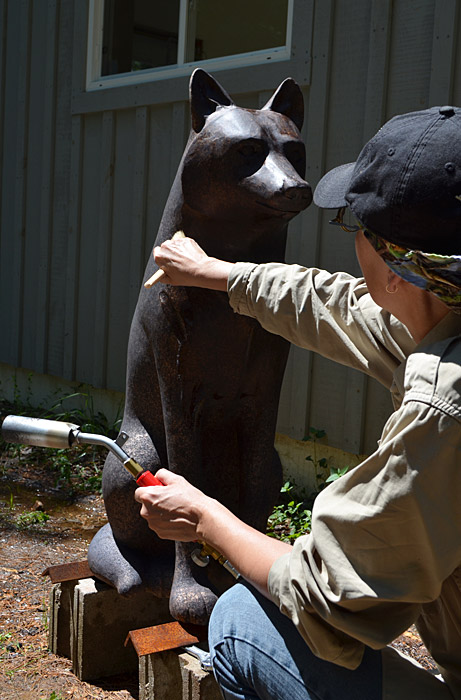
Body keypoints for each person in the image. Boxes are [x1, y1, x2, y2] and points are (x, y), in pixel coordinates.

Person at [134, 105, 461, 700]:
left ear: (396, 267)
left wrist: (204, 517)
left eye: (354, 224)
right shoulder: (440, 313)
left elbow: (323, 594)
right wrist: (218, 274)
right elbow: (335, 304)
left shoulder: (446, 408)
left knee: (239, 621)